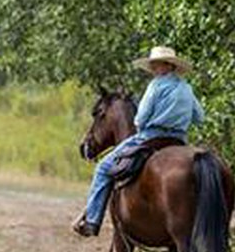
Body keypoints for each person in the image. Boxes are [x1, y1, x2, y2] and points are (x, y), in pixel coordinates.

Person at [73, 46, 205, 237]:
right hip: (179, 140)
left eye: (155, 64)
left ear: (167, 65)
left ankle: (92, 221)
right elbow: (200, 117)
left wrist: (143, 125)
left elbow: (140, 119)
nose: (153, 69)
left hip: (151, 136)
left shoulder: (156, 86)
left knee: (102, 168)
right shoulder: (187, 88)